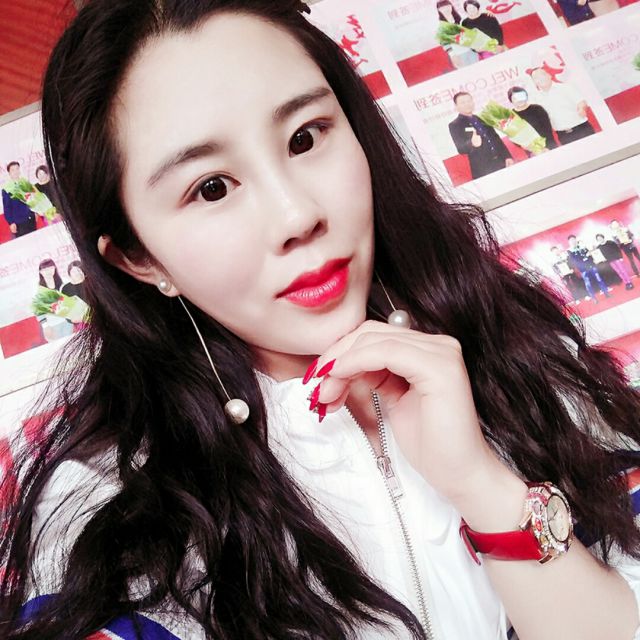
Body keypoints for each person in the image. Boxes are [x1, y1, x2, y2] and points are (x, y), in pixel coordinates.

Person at [2, 2, 640, 639]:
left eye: (305, 138)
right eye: (212, 187)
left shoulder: (518, 351)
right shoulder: (108, 511)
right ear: (140, 258)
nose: (297, 215)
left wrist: (482, 486)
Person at [448, 91, 514, 179]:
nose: (467, 104)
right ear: (456, 107)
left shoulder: (482, 118)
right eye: (463, 102)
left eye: (469, 101)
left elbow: (496, 139)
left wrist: (507, 156)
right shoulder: (455, 125)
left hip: (501, 162)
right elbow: (460, 149)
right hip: (483, 170)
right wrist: (471, 143)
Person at [530, 67, 595, 145]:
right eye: (536, 78)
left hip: (582, 129)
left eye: (542, 75)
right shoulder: (536, 99)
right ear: (534, 82)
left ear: (549, 75)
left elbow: (581, 102)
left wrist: (581, 109)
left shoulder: (565, 87)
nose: (540, 78)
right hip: (563, 136)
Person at [507, 86, 557, 153]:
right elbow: (514, 137)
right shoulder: (511, 117)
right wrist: (528, 147)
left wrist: (546, 148)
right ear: (510, 100)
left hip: (549, 146)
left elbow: (548, 130)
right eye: (515, 98)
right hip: (531, 151)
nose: (519, 100)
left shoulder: (537, 108)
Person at [566, 234, 611, 303]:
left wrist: (590, 257)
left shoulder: (582, 246)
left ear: (576, 239)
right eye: (571, 240)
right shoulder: (569, 251)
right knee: (588, 284)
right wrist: (585, 257)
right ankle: (594, 298)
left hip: (591, 266)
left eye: (574, 239)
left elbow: (590, 254)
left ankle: (606, 293)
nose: (573, 241)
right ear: (569, 242)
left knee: (599, 279)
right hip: (583, 269)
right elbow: (574, 261)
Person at [436, 0, 480, 69]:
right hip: (459, 54)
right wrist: (453, 55)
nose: (446, 9)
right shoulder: (442, 26)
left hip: (471, 50)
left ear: (451, 6)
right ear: (439, 10)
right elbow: (444, 43)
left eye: (447, 6)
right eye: (443, 8)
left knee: (478, 68)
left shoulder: (460, 19)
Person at [1, 161, 37, 239]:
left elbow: (33, 199)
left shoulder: (25, 183)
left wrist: (36, 212)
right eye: (13, 170)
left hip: (31, 217)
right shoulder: (7, 189)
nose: (16, 171)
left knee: (35, 239)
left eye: (17, 169)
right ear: (9, 173)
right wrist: (11, 223)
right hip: (19, 222)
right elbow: (7, 208)